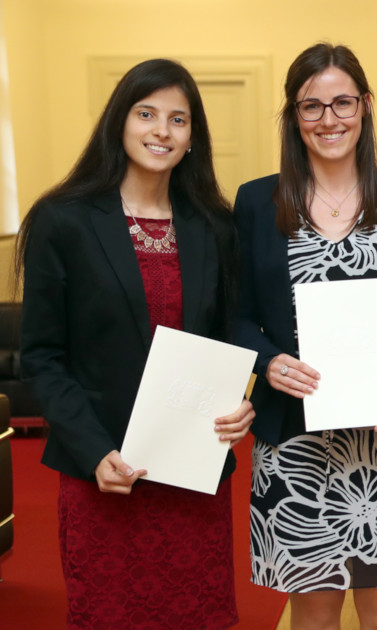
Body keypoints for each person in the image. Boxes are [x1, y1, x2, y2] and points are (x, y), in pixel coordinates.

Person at [17, 58, 253, 629]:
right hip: (103, 474)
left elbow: (234, 337)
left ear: (193, 137)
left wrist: (245, 402)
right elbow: (43, 357)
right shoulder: (63, 220)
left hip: (192, 477)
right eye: (146, 113)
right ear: (119, 122)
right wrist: (94, 450)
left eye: (178, 119)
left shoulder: (216, 227)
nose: (161, 131)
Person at [233, 43, 377, 630]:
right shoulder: (256, 201)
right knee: (313, 613)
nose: (329, 120)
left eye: (343, 102)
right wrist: (267, 362)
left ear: (366, 106)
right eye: (311, 106)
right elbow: (236, 315)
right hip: (295, 442)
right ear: (294, 117)